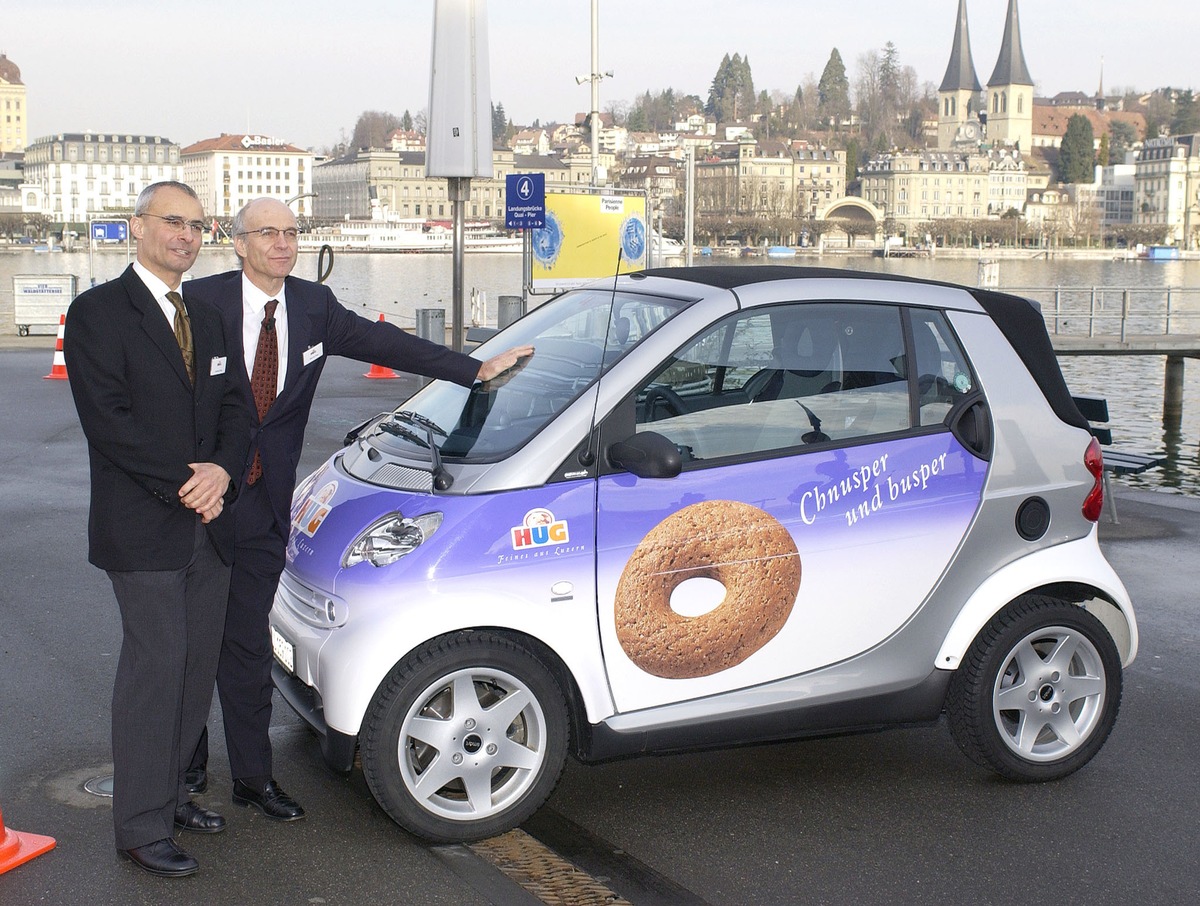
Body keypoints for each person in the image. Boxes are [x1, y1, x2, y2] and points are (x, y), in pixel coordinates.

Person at [185, 197, 533, 821]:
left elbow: (386, 343)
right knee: (185, 646)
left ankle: (252, 778)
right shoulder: (201, 303)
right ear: (238, 243)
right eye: (267, 233)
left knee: (244, 648)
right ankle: (182, 775)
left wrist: (473, 368)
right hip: (201, 507)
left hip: (265, 510)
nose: (283, 244)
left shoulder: (313, 307)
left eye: (292, 233)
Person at [63, 181, 250, 878]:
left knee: (193, 672)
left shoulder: (208, 313)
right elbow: (109, 422)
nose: (187, 235)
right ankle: (139, 827)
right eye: (173, 222)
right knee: (155, 672)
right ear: (137, 227)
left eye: (198, 226)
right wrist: (189, 481)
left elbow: (236, 408)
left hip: (210, 525)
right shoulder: (97, 313)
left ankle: (173, 797)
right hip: (144, 527)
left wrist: (224, 473)